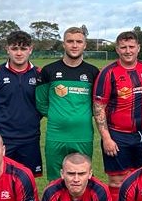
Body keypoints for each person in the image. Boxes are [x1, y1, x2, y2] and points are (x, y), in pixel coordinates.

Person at [93, 31, 142, 201]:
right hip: (118, 135)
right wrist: (106, 138)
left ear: (138, 48)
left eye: (131, 47)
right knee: (117, 180)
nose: (128, 51)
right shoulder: (108, 73)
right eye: (123, 47)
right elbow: (99, 106)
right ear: (117, 49)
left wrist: (141, 104)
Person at [35, 27, 100, 181]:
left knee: (81, 179)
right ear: (64, 44)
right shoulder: (48, 71)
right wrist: (57, 115)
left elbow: (97, 104)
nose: (74, 45)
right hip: (56, 135)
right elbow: (41, 103)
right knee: (55, 179)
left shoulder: (93, 72)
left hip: (82, 136)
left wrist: (79, 116)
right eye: (70, 41)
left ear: (85, 45)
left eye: (79, 41)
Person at [0, 31, 43, 177]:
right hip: (3, 139)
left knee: (28, 179)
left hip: (30, 138)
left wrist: (31, 119)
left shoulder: (39, 74)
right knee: (2, 178)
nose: (19, 53)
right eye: (14, 48)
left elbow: (44, 104)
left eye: (23, 48)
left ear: (30, 49)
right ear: (7, 49)